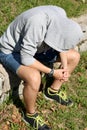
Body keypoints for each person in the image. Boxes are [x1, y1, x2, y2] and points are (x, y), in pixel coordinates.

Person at [0, 5, 83, 130]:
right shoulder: (36, 23)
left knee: (74, 56)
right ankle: (30, 115)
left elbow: (62, 46)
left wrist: (64, 67)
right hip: (11, 51)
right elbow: (26, 59)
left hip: (36, 49)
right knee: (34, 77)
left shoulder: (61, 15)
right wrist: (52, 72)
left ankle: (52, 91)